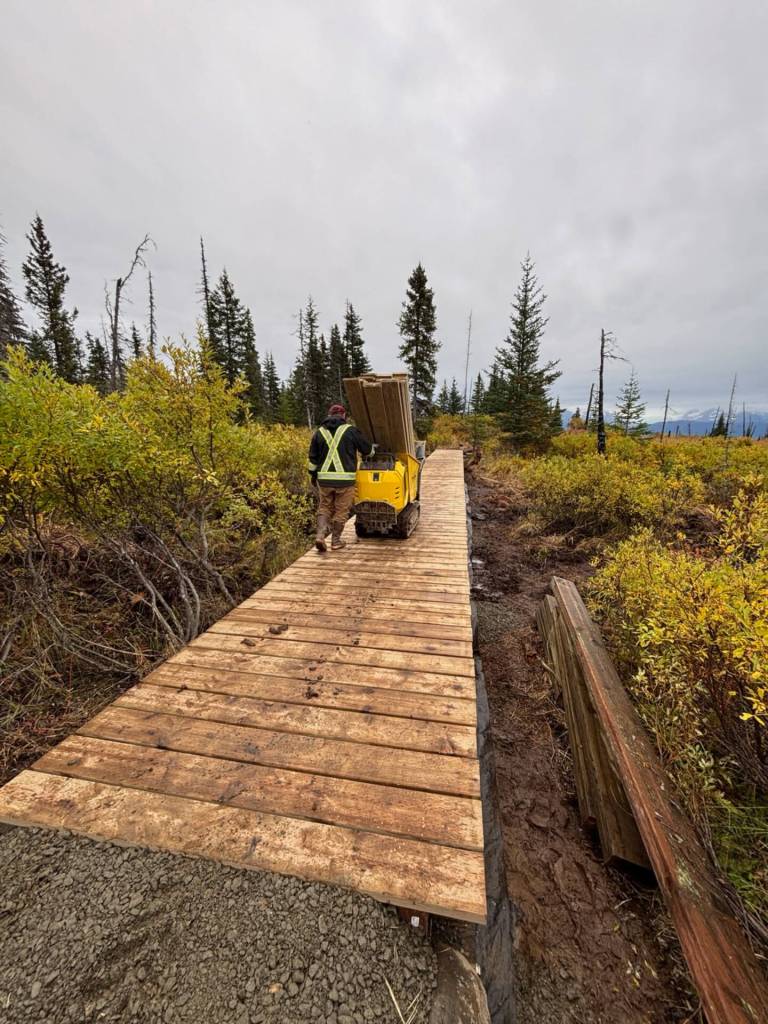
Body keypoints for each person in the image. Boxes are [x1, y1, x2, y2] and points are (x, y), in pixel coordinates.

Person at [308, 404, 373, 552]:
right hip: (345, 481)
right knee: (341, 510)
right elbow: (368, 450)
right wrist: (372, 452)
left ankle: (320, 535)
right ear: (343, 416)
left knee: (324, 507)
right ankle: (335, 541)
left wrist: (313, 476)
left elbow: (312, 460)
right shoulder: (351, 431)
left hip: (324, 480)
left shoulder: (319, 433)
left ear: (329, 415)